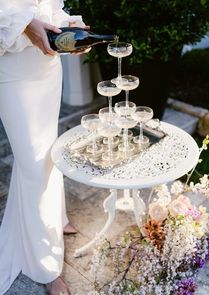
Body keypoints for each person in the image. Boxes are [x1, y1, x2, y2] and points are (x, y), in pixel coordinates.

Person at [0, 1, 90, 294]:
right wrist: (26, 24)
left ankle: (57, 217)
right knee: (33, 164)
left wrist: (69, 27)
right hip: (12, 71)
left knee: (47, 154)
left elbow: (46, 7)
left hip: (48, 67)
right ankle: (46, 267)